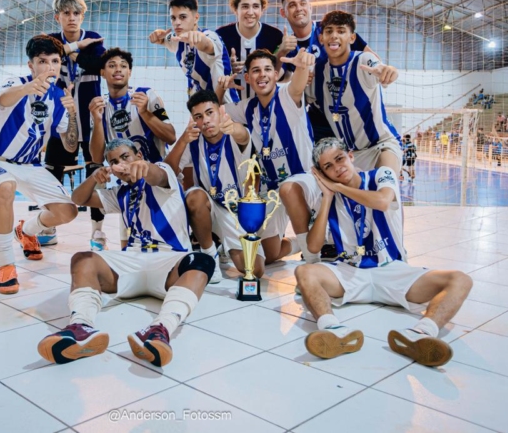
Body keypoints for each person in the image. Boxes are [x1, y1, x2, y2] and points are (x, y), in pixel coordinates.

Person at [295, 137, 473, 367]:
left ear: (351, 156)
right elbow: (313, 247)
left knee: (461, 280)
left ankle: (420, 334)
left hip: (392, 270)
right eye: (328, 166)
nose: (337, 168)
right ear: (322, 173)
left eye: (339, 159)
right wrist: (328, 197)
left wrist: (338, 187)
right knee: (304, 272)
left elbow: (381, 201)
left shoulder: (381, 175)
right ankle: (334, 330)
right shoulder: (327, 197)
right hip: (351, 272)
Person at [37, 138, 213, 368]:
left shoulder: (164, 173)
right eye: (114, 161)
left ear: (139, 156)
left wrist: (142, 167)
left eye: (125, 157)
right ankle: (81, 326)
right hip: (131, 261)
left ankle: (160, 330)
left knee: (201, 262)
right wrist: (94, 178)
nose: (120, 164)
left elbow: (155, 174)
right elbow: (78, 198)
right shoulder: (118, 193)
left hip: (170, 260)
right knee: (82, 259)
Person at [0, 35, 79, 295]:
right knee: (6, 187)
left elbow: (70, 146)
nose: (50, 67)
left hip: (30, 165)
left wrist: (73, 114)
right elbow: (5, 98)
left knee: (68, 212)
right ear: (31, 65)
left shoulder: (58, 97)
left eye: (55, 61)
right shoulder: (15, 84)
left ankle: (27, 230)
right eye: (43, 61)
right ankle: (6, 264)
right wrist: (29, 88)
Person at [166, 89, 282, 282]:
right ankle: (209, 253)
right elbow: (167, 170)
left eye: (210, 113)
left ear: (220, 111)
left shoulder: (233, 131)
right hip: (210, 206)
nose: (206, 121)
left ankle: (226, 244)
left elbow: (243, 136)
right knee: (194, 196)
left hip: (236, 212)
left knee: (255, 270)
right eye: (199, 116)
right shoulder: (193, 140)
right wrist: (183, 140)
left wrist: (233, 127)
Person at [219, 49, 316, 263]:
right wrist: (221, 87)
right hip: (272, 189)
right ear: (247, 78)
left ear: (276, 75)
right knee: (269, 255)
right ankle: (305, 242)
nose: (262, 74)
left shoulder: (287, 95)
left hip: (304, 180)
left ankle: (311, 260)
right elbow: (215, 111)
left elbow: (299, 84)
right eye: (255, 71)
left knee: (289, 188)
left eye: (267, 70)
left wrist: (302, 65)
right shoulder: (247, 107)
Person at [46, 0, 107, 250]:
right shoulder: (49, 41)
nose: (71, 18)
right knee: (52, 172)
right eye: (66, 13)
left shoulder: (94, 38)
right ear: (57, 16)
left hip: (91, 115)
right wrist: (75, 48)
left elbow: (99, 64)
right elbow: (45, 61)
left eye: (76, 14)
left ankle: (97, 232)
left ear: (82, 16)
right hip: (60, 116)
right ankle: (48, 226)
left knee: (96, 172)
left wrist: (73, 53)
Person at [308, 10, 402, 173]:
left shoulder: (363, 60)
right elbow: (296, 98)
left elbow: (379, 67)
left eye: (341, 31)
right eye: (329, 31)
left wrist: (389, 70)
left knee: (385, 191)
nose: (334, 36)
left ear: (352, 38)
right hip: (348, 155)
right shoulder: (317, 71)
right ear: (321, 38)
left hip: (380, 146)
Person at [278, 0, 375, 143]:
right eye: (292, 5)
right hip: (320, 113)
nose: (299, 8)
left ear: (310, 7)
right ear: (284, 13)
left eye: (303, 3)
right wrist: (296, 72)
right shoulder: (287, 44)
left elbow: (373, 60)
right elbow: (281, 77)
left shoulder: (332, 29)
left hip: (352, 107)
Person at [88, 48, 176, 166]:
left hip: (156, 176)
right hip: (124, 179)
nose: (118, 69)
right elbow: (97, 158)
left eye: (123, 66)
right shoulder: (99, 106)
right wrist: (97, 120)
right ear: (102, 73)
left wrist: (145, 112)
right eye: (112, 66)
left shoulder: (146, 95)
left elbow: (171, 137)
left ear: (129, 72)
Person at [216, 0, 289, 101]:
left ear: (262, 9)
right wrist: (228, 68)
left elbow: (282, 75)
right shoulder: (221, 36)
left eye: (255, 6)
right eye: (245, 6)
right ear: (236, 9)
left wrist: (281, 53)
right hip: (231, 108)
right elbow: (213, 73)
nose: (250, 12)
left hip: (265, 106)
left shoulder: (274, 36)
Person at [149, 0, 231, 98]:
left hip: (225, 107)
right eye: (173, 18)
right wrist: (156, 37)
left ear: (196, 18)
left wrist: (199, 39)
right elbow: (162, 40)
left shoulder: (211, 36)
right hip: (200, 107)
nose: (177, 22)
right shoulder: (176, 39)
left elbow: (207, 45)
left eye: (183, 17)